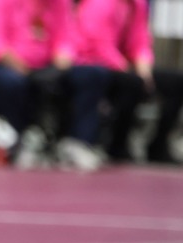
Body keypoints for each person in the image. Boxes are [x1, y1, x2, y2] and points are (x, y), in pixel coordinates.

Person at [0, 0, 109, 171]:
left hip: (47, 65)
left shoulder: (60, 3)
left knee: (92, 75)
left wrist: (62, 58)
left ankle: (77, 142)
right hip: (5, 65)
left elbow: (67, 38)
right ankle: (18, 141)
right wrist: (25, 69)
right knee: (14, 83)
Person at [73, 0, 183, 165]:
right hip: (95, 64)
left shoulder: (138, 5)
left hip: (126, 65)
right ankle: (117, 144)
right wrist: (127, 69)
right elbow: (98, 45)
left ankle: (158, 146)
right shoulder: (99, 3)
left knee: (176, 82)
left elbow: (140, 42)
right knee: (132, 83)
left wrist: (144, 67)